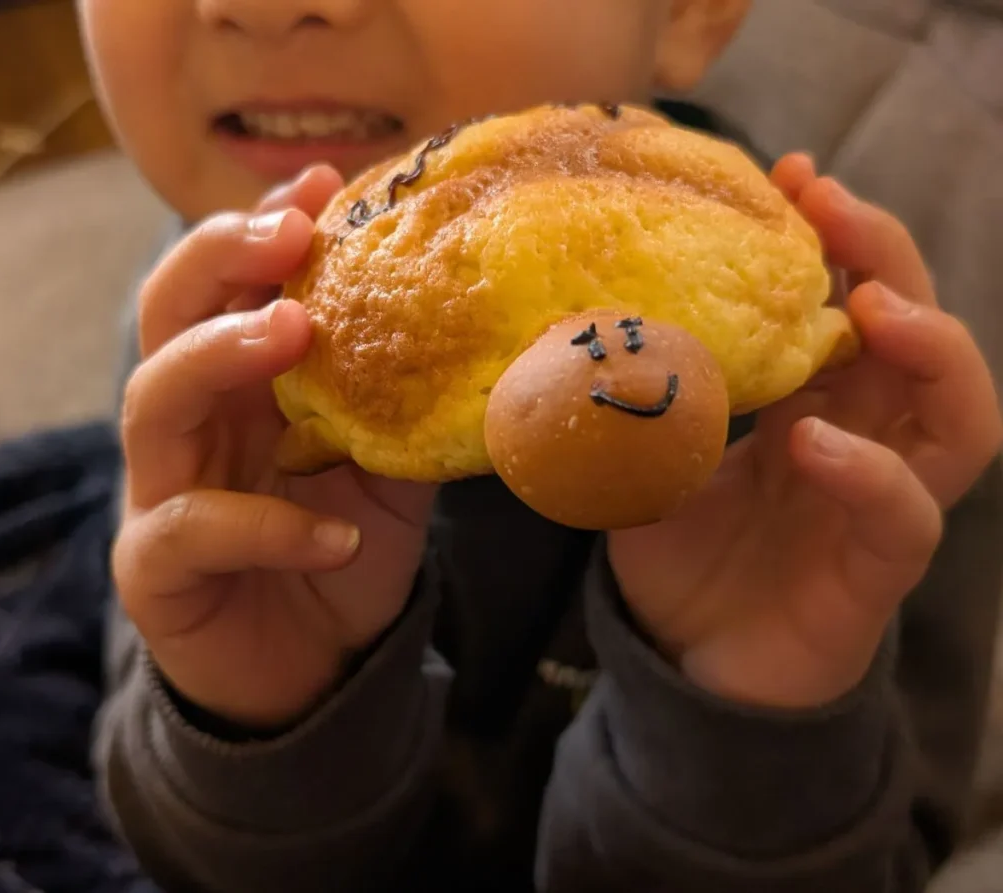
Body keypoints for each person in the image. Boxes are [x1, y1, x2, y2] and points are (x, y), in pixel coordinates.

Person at [81, 1, 1003, 891]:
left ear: (690, 7)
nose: (263, 6)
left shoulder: (856, 424)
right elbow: (171, 838)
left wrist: (747, 705)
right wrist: (253, 719)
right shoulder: (215, 340)